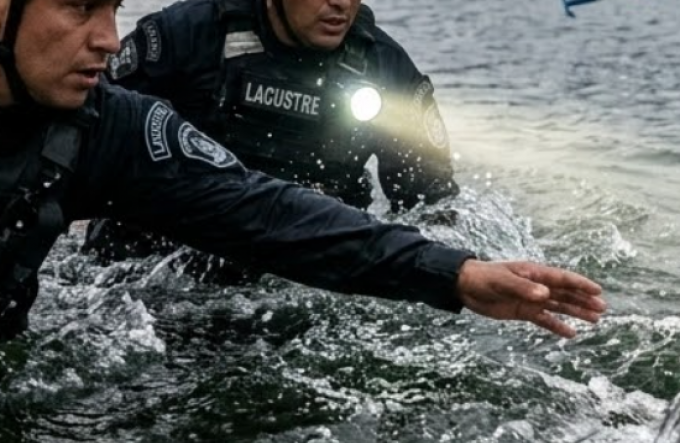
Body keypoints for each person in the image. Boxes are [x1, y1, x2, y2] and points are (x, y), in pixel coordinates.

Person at [0, 0, 606, 342]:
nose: (108, 40)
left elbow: (260, 209)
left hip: (251, 277)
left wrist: (456, 272)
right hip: (140, 267)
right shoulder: (186, 37)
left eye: (112, 9)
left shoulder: (109, 127)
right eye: (78, 6)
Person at [82, 0, 460, 263]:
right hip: (159, 259)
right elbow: (86, 129)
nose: (340, 4)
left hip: (311, 262)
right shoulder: (185, 36)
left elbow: (432, 207)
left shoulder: (387, 71)